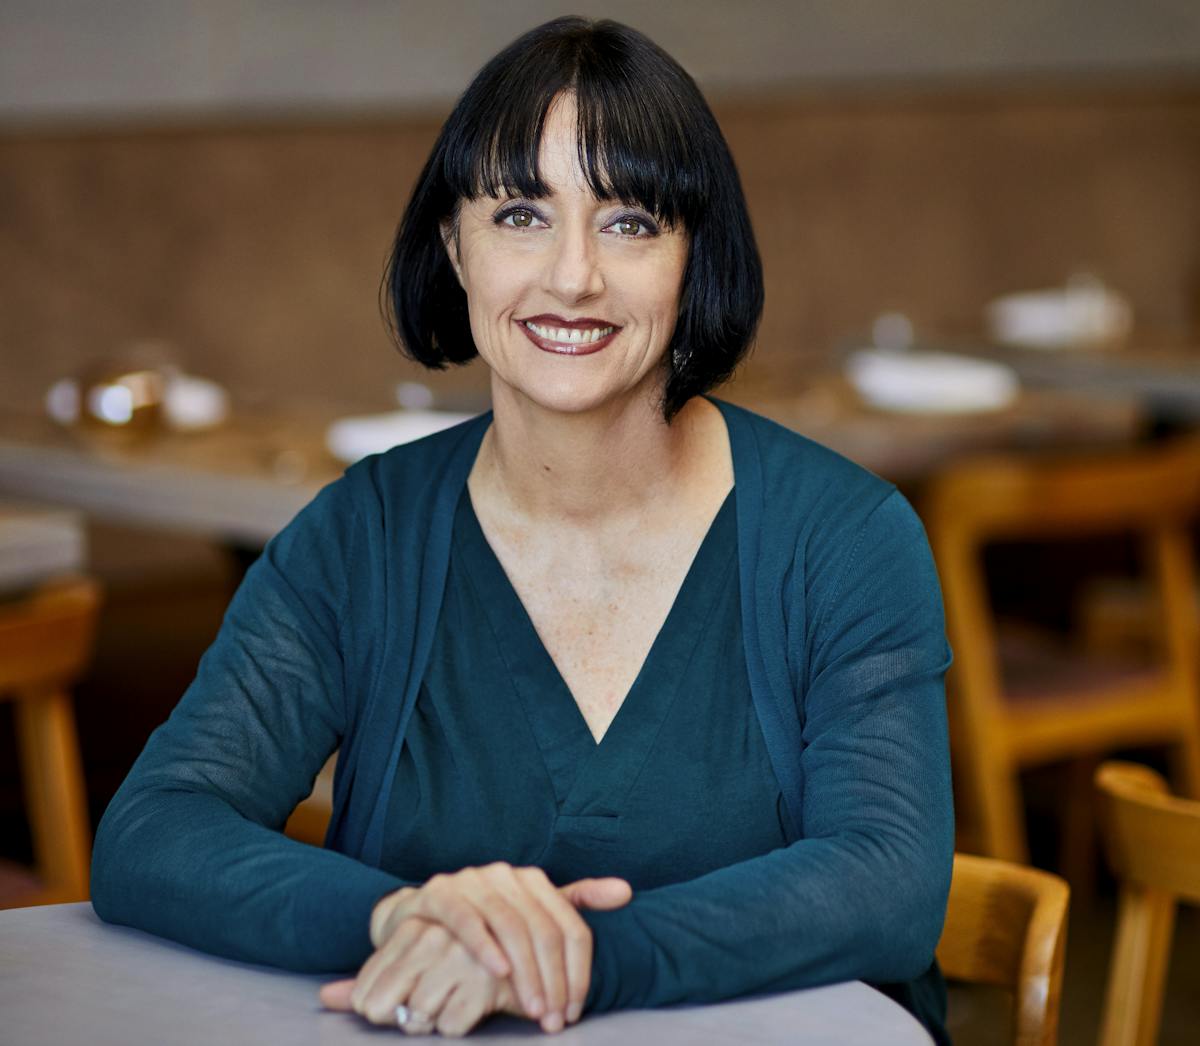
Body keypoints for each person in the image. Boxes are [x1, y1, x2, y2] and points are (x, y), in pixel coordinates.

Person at [91, 16, 954, 1041]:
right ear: (453, 246)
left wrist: (583, 956)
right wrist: (397, 915)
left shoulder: (842, 539)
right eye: (519, 215)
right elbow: (154, 827)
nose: (573, 276)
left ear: (693, 255)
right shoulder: (360, 536)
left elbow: (891, 882)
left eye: (630, 221)